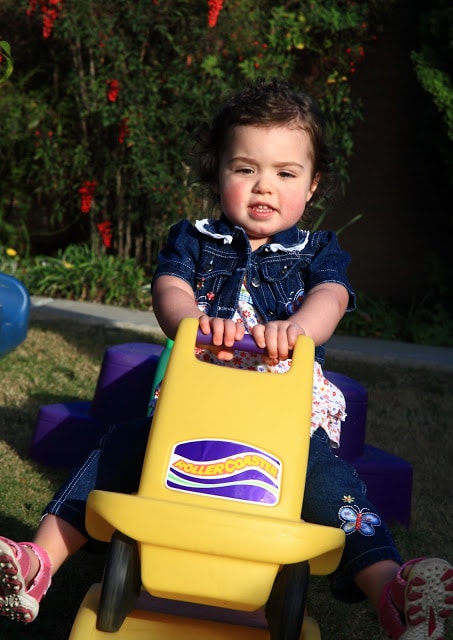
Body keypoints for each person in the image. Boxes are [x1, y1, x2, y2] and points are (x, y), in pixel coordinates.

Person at [0, 78, 452, 639]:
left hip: (286, 424)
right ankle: (38, 563)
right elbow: (169, 288)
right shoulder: (193, 239)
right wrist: (190, 320)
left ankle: (392, 591)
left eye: (286, 174)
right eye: (245, 169)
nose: (265, 187)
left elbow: (331, 298)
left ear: (312, 186)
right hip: (193, 413)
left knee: (332, 486)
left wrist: (297, 329)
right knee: (120, 446)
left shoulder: (318, 253)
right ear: (219, 172)